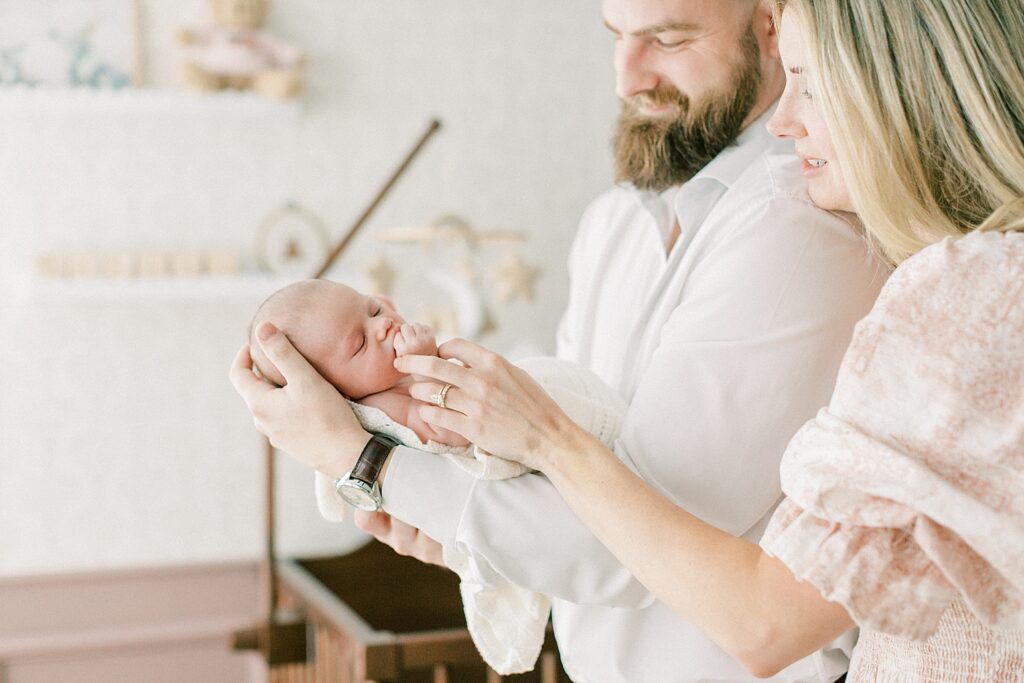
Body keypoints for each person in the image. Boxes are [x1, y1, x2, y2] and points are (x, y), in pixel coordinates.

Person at [230, 0, 887, 679]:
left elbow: (628, 545)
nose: (627, 79)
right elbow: (549, 484)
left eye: (666, 38)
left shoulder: (799, 230)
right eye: (617, 38)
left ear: (769, 29)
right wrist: (453, 530)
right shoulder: (616, 222)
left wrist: (364, 459)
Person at [390, 0, 1024, 679]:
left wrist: (387, 462)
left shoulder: (966, 290)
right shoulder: (618, 220)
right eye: (618, 39)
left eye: (809, 82)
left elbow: (761, 618)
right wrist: (460, 513)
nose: (787, 119)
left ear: (901, 89)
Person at [246, 278, 629, 674]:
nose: (383, 326)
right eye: (360, 343)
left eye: (373, 309)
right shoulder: (380, 409)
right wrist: (429, 366)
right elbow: (445, 430)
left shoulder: (386, 380)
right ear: (335, 393)